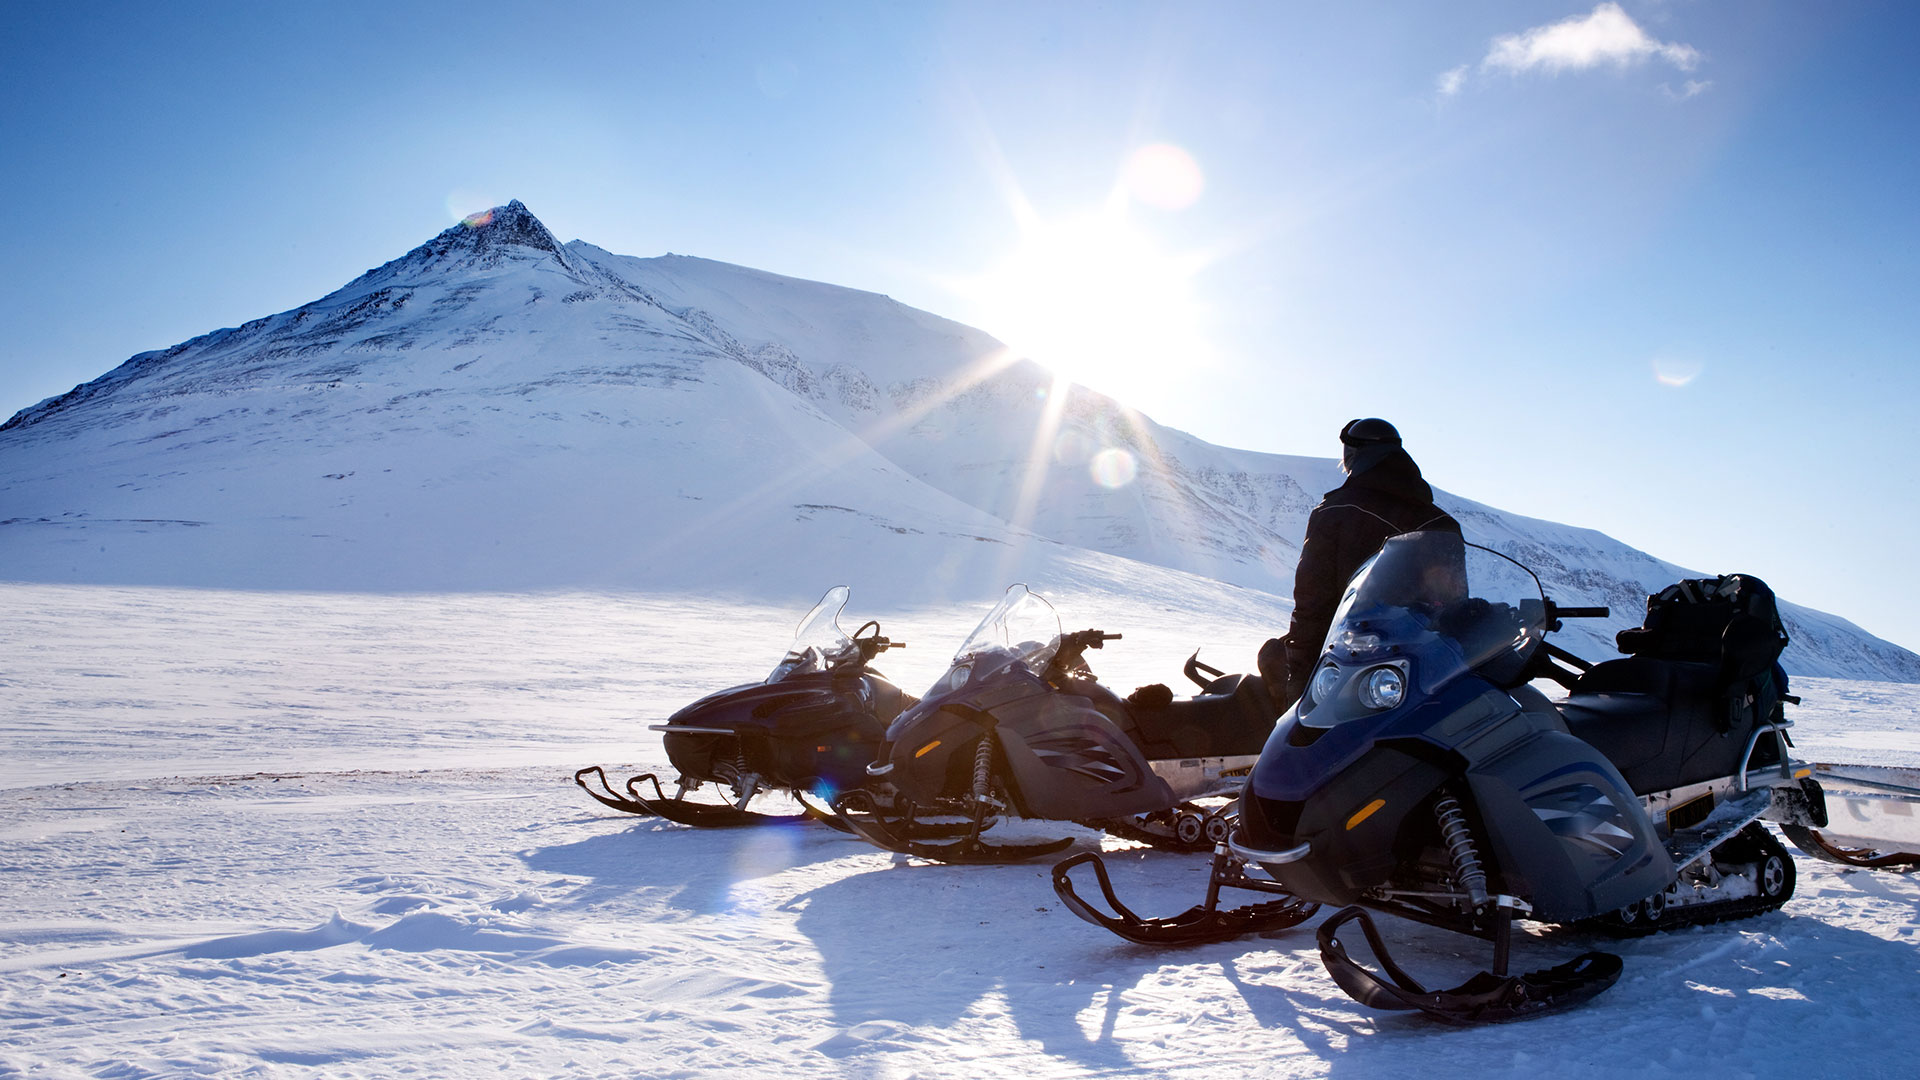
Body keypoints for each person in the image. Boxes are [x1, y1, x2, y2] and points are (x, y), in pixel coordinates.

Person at [1258, 418, 1461, 710]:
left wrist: (1300, 676)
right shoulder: (1440, 523)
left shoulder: (1335, 511)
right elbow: (1454, 605)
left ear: (1354, 455)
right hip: (1419, 673)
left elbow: (1313, 602)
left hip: (1345, 664)